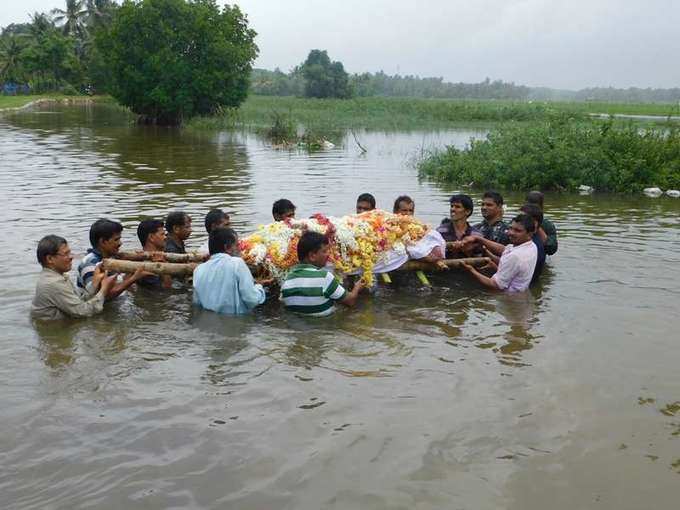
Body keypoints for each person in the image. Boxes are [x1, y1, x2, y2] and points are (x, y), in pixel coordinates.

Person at [31, 235, 117, 320]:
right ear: (50, 259)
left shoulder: (59, 276)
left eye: (70, 253)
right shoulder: (53, 283)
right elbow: (83, 312)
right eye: (66, 254)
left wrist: (94, 283)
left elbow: (79, 302)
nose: (71, 257)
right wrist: (104, 290)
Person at [281, 231, 365, 316]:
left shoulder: (287, 279)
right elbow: (350, 301)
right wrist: (357, 287)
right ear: (312, 256)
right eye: (324, 251)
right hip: (326, 324)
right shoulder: (324, 277)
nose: (328, 254)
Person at [193, 228, 269, 315]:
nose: (239, 249)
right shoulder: (237, 263)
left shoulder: (198, 270)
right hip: (236, 323)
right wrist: (259, 287)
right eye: (236, 245)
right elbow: (251, 299)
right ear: (227, 247)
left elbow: (197, 304)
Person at [462, 214, 537, 292]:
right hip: (521, 293)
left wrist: (471, 270)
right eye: (511, 228)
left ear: (530, 234)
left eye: (517, 231)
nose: (511, 233)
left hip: (508, 300)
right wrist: (479, 239)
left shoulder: (515, 256)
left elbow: (495, 285)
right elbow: (505, 249)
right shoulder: (532, 246)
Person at [77, 218, 150, 298]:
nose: (120, 243)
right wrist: (133, 278)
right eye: (116, 240)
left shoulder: (110, 257)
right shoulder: (90, 265)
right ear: (103, 242)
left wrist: (142, 257)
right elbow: (103, 296)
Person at [137, 219, 172, 288]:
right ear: (151, 237)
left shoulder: (139, 259)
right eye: (162, 234)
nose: (165, 237)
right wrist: (164, 267)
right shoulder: (147, 266)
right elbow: (166, 290)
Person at [519, 203, 547, 283]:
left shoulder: (533, 247)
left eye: (521, 219)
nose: (516, 221)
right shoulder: (527, 242)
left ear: (534, 223)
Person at [526, 190, 558, 255]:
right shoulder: (518, 221)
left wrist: (538, 227)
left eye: (535, 208)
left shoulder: (547, 225)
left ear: (541, 208)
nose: (532, 211)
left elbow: (551, 249)